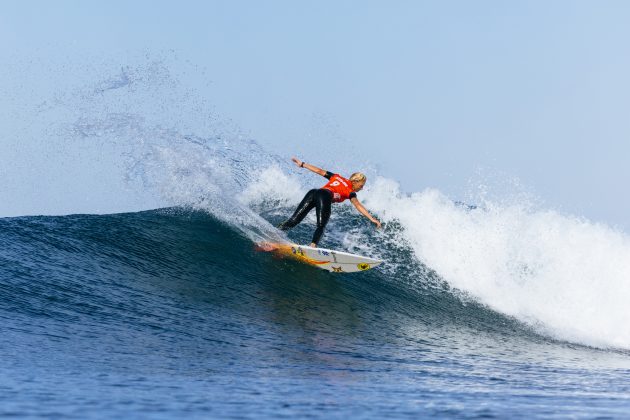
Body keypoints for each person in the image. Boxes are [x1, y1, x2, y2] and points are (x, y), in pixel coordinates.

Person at [278, 157, 381, 247]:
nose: (361, 188)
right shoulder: (350, 192)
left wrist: (302, 164)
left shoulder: (337, 177)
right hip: (325, 196)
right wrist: (372, 219)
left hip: (313, 192)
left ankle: (275, 231)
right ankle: (313, 246)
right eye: (361, 185)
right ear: (355, 182)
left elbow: (319, 171)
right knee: (321, 226)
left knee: (294, 220)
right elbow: (358, 205)